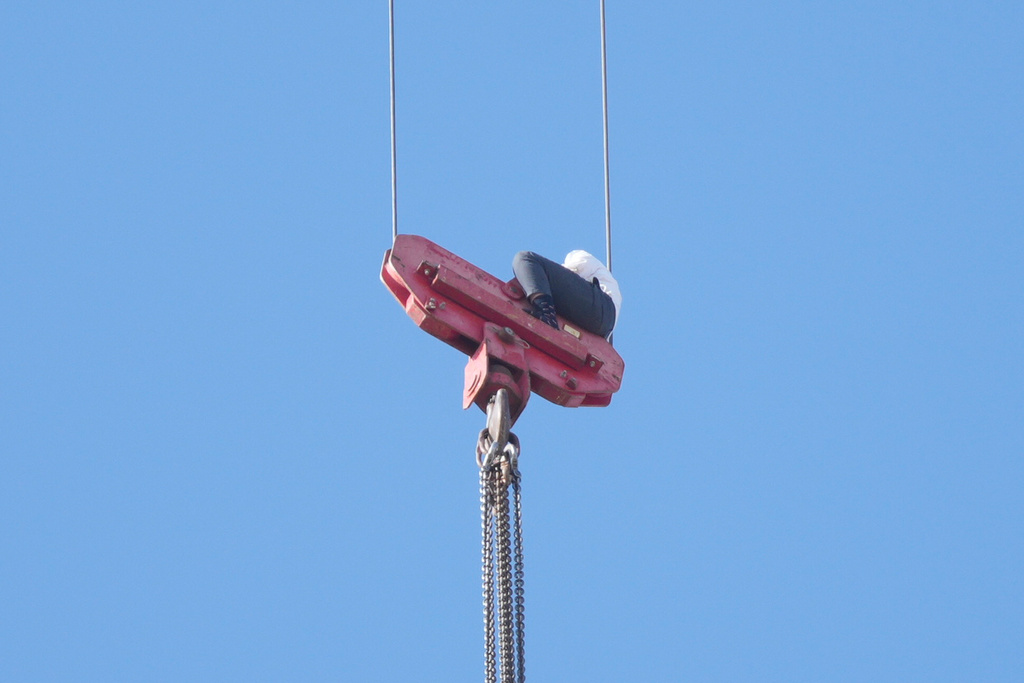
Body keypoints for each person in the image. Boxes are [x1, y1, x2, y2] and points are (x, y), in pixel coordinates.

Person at [512, 250, 621, 340]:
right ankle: (547, 314)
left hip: (602, 307)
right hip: (601, 328)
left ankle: (546, 313)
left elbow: (569, 273)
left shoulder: (577, 256)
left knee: (526, 259)